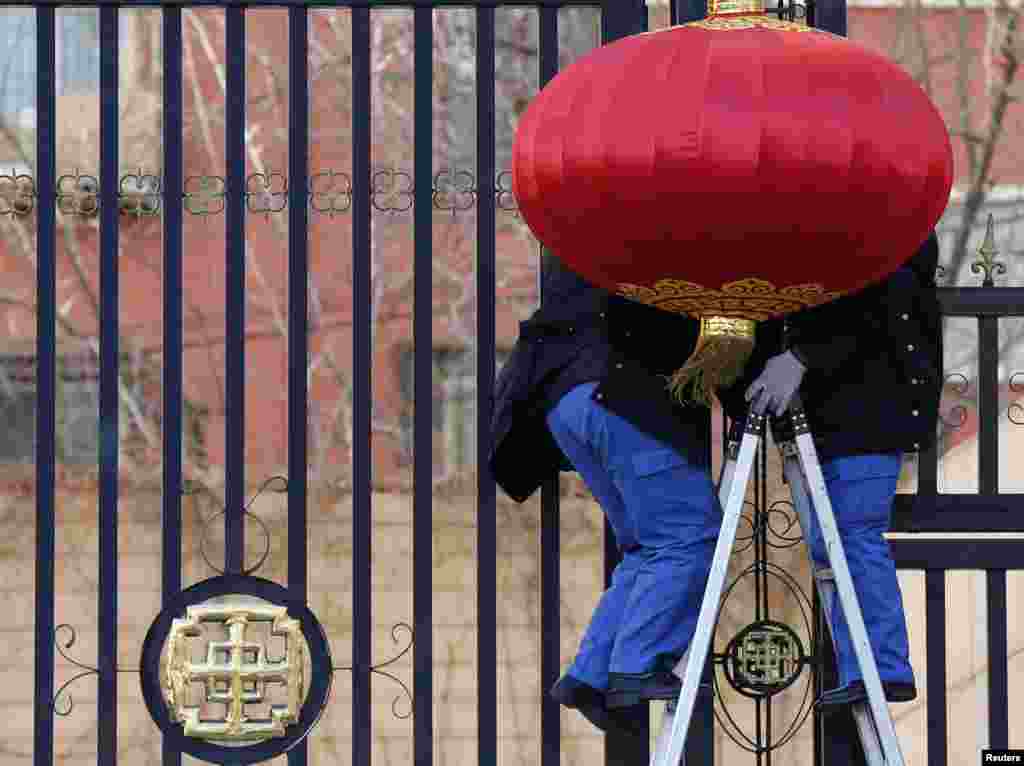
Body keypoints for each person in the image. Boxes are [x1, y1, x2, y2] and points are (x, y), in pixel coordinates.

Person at [489, 255, 719, 732]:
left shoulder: (586, 208)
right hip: (621, 393)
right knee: (687, 537)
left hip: (566, 398)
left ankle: (589, 676)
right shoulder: (670, 210)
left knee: (646, 547)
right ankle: (635, 666)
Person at [716, 231, 943, 711]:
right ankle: (870, 667)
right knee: (830, 541)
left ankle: (880, 667)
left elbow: (876, 303)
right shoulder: (833, 231)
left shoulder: (890, 229)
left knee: (850, 533)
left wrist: (802, 356)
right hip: (827, 417)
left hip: (869, 413)